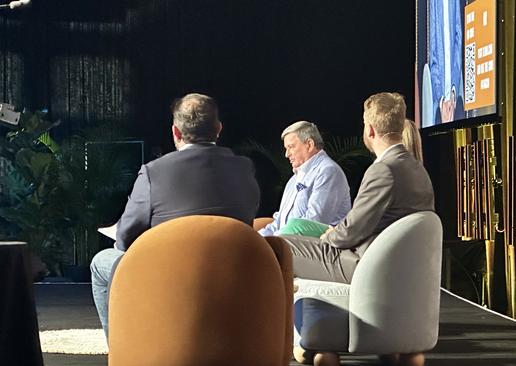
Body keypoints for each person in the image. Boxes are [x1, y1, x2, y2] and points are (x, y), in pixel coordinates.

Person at [90, 93, 260, 336]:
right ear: (218, 129)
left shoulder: (153, 172)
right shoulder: (245, 168)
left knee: (100, 263)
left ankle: (122, 352)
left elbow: (125, 239)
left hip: (168, 282)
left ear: (176, 133)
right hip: (232, 277)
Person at [281, 92, 435, 284]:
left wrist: (328, 236)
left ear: (370, 130)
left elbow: (351, 231)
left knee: (279, 245)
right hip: (393, 259)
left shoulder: (383, 170)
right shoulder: (415, 167)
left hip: (366, 263)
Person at [258, 121, 351, 236]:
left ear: (309, 144)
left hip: (314, 248)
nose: (287, 154)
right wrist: (256, 239)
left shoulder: (328, 171)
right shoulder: (293, 180)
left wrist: (274, 241)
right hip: (287, 244)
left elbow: (313, 222)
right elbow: (278, 223)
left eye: (291, 147)